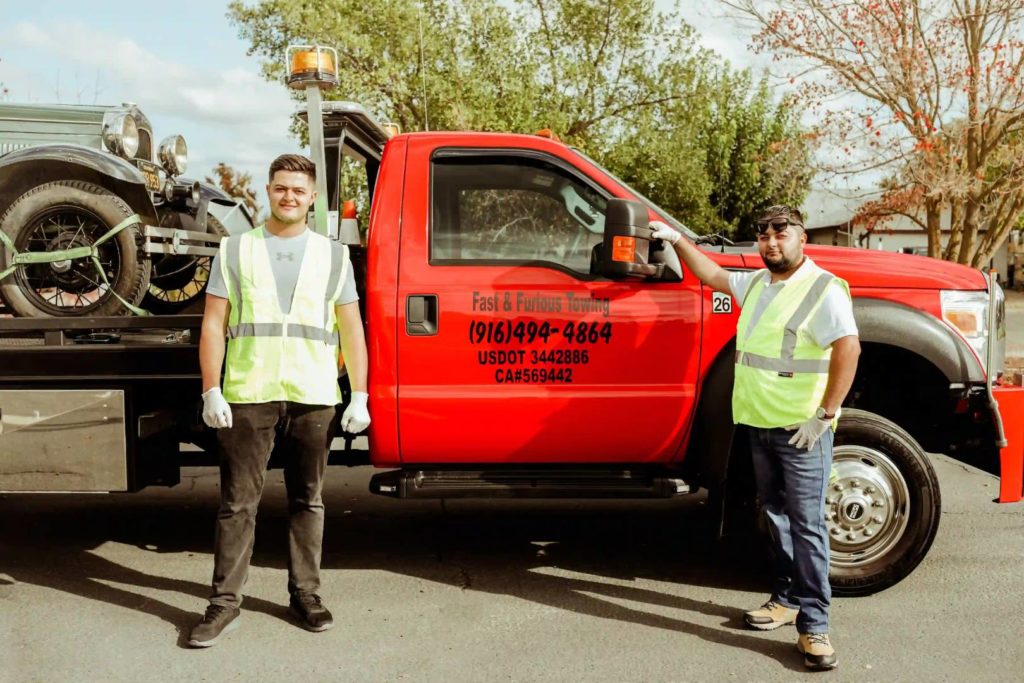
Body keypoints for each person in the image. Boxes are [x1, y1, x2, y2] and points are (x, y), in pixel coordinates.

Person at [651, 205, 859, 671]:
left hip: (803, 431)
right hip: (759, 424)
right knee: (776, 516)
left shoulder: (823, 289)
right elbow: (712, 275)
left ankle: (815, 626)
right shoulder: (759, 285)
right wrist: (676, 240)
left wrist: (825, 416)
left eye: (780, 233)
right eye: (762, 235)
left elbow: (849, 348)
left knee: (807, 526)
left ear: (801, 237)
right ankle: (785, 599)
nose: (770, 242)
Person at [188, 154, 371, 647]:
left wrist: (361, 395)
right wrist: (211, 388)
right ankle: (224, 604)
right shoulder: (235, 250)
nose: (288, 196)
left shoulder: (333, 256)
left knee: (307, 500)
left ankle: (306, 595)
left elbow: (351, 327)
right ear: (267, 192)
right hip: (250, 392)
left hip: (313, 395)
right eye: (280, 188)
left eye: (298, 189)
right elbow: (213, 324)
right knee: (237, 504)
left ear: (313, 198)